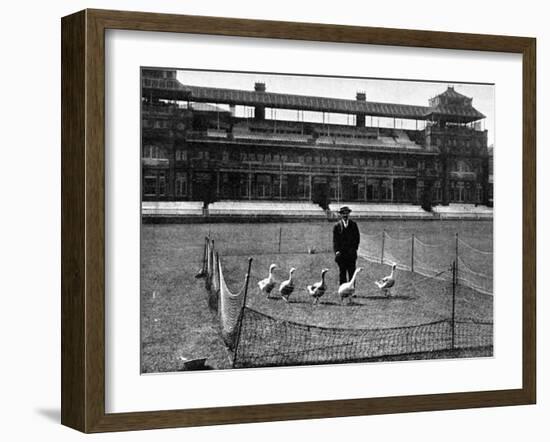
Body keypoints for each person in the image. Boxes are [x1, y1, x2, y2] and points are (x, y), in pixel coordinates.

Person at [333, 206, 361, 285]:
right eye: (343, 214)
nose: (345, 215)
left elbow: (357, 238)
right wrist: (337, 251)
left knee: (352, 272)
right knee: (342, 272)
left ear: (349, 214)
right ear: (341, 215)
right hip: (341, 254)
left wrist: (354, 249)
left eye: (346, 213)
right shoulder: (337, 226)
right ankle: (343, 290)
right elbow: (335, 240)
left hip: (351, 253)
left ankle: (352, 290)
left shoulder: (353, 225)